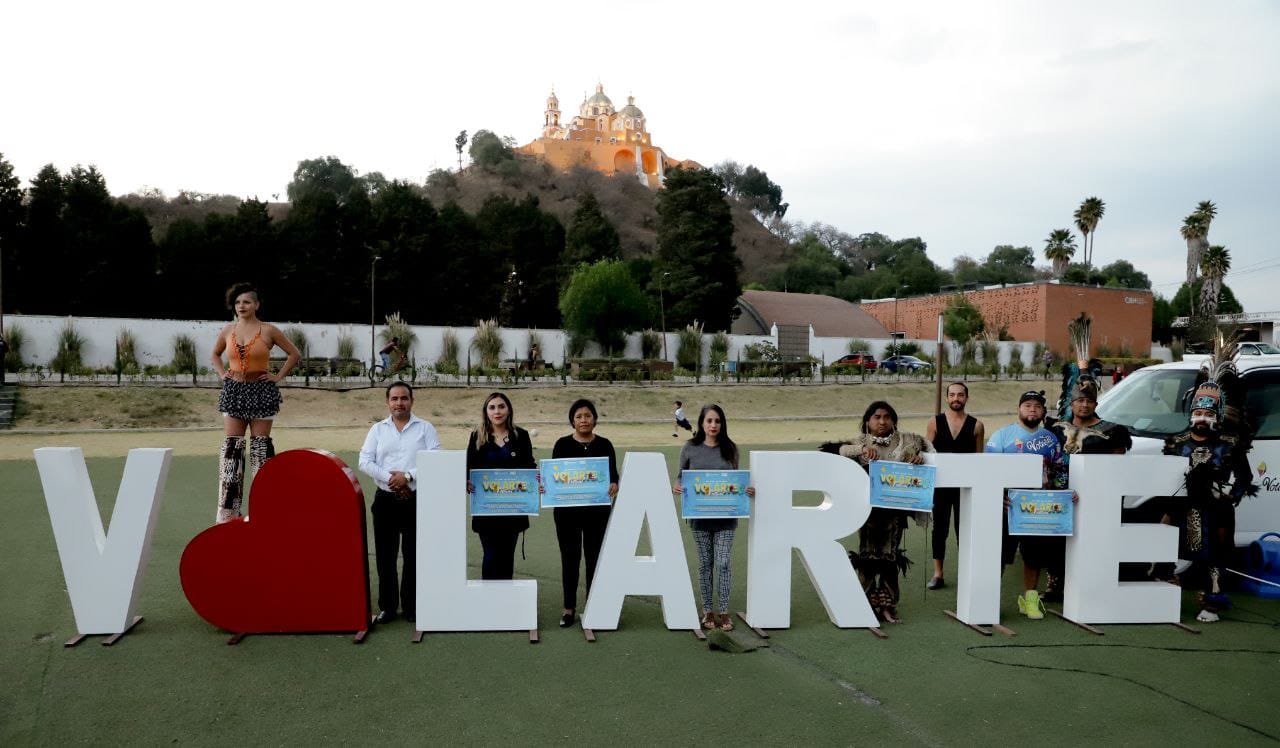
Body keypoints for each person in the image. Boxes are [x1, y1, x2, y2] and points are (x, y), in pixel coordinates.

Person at [1162, 365, 1256, 622]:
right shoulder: (1176, 444)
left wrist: (1230, 495)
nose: (1202, 418)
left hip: (1217, 512)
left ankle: (1213, 601)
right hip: (1184, 509)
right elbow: (1163, 479)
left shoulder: (1228, 445)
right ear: (1191, 415)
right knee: (1169, 549)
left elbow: (1245, 478)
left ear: (1217, 416)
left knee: (1215, 556)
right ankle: (1163, 593)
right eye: (1198, 413)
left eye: (1208, 413)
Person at [825, 401, 934, 624]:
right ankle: (865, 604)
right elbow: (840, 450)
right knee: (867, 555)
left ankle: (888, 605)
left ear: (893, 420)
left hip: (894, 512)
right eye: (877, 417)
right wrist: (862, 450)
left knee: (889, 556)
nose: (882, 421)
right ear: (868, 421)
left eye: (887, 417)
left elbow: (932, 451)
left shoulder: (909, 441)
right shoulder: (859, 443)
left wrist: (921, 459)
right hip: (866, 512)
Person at [209, 282, 300, 524]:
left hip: (261, 390)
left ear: (257, 305)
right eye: (238, 302)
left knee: (260, 450)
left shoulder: (269, 330)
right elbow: (215, 354)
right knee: (232, 450)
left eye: (247, 302)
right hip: (234, 391)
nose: (242, 306)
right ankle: (228, 512)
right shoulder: (228, 330)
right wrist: (222, 373)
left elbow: (294, 354)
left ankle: (265, 508)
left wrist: (278, 376)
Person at [358, 382, 441, 624]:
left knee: (413, 555)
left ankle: (412, 607)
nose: (399, 403)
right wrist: (391, 479)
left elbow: (435, 457)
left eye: (404, 398)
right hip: (385, 500)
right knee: (386, 556)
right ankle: (388, 607)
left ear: (411, 401)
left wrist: (407, 476)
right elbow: (365, 461)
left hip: (415, 499)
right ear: (387, 402)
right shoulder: (377, 430)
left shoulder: (425, 428)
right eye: (394, 398)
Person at [1044, 376, 1132, 601]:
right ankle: (1056, 582)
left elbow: (1118, 468)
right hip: (1061, 493)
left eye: (1089, 401)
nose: (1084, 405)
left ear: (1096, 404)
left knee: (1094, 540)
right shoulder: (1055, 428)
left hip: (1096, 496)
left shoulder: (1113, 431)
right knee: (1057, 539)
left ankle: (1092, 582)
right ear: (1071, 403)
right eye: (1080, 400)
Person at [673, 404, 755, 632]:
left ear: (722, 424)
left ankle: (724, 610)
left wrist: (746, 490)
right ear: (701, 423)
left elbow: (737, 482)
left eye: (717, 421)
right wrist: (677, 486)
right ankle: (707, 609)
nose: (713, 425)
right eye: (709, 421)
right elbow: (680, 477)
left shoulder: (731, 449)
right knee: (705, 564)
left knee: (723, 563)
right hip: (699, 518)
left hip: (726, 519)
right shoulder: (690, 447)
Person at [984, 390, 1065, 620]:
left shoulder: (1050, 439)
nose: (1032, 409)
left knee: (1034, 555)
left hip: (1038, 508)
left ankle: (1030, 600)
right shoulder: (1002, 436)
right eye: (1027, 405)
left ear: (1043, 412)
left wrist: (1062, 495)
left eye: (1037, 406)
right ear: (1019, 409)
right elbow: (987, 471)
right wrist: (996, 494)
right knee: (999, 554)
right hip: (1007, 506)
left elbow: (1059, 471)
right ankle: (989, 600)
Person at [551, 399, 620, 628]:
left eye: (588, 415)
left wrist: (614, 484)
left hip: (596, 513)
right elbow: (553, 477)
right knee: (570, 559)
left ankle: (593, 605)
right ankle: (568, 608)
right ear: (572, 420)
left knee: (594, 558)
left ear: (595, 419)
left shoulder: (605, 445)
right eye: (579, 416)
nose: (583, 420)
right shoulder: (561, 445)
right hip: (567, 514)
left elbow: (613, 476)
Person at [466, 392, 537, 580]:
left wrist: (537, 479)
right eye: (492, 407)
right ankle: (488, 604)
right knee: (490, 557)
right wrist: (467, 482)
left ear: (508, 410)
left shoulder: (520, 436)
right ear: (486, 412)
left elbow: (529, 466)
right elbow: (468, 469)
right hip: (486, 511)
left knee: (506, 559)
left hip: (513, 510)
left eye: (501, 406)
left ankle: (505, 605)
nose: (497, 411)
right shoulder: (476, 436)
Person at [923, 382, 985, 589]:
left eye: (960, 395)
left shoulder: (977, 425)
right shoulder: (935, 422)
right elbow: (926, 453)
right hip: (940, 486)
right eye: (952, 395)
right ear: (947, 398)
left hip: (966, 488)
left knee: (964, 529)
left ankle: (967, 572)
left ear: (966, 398)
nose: (956, 398)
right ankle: (938, 574)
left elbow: (979, 459)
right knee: (939, 529)